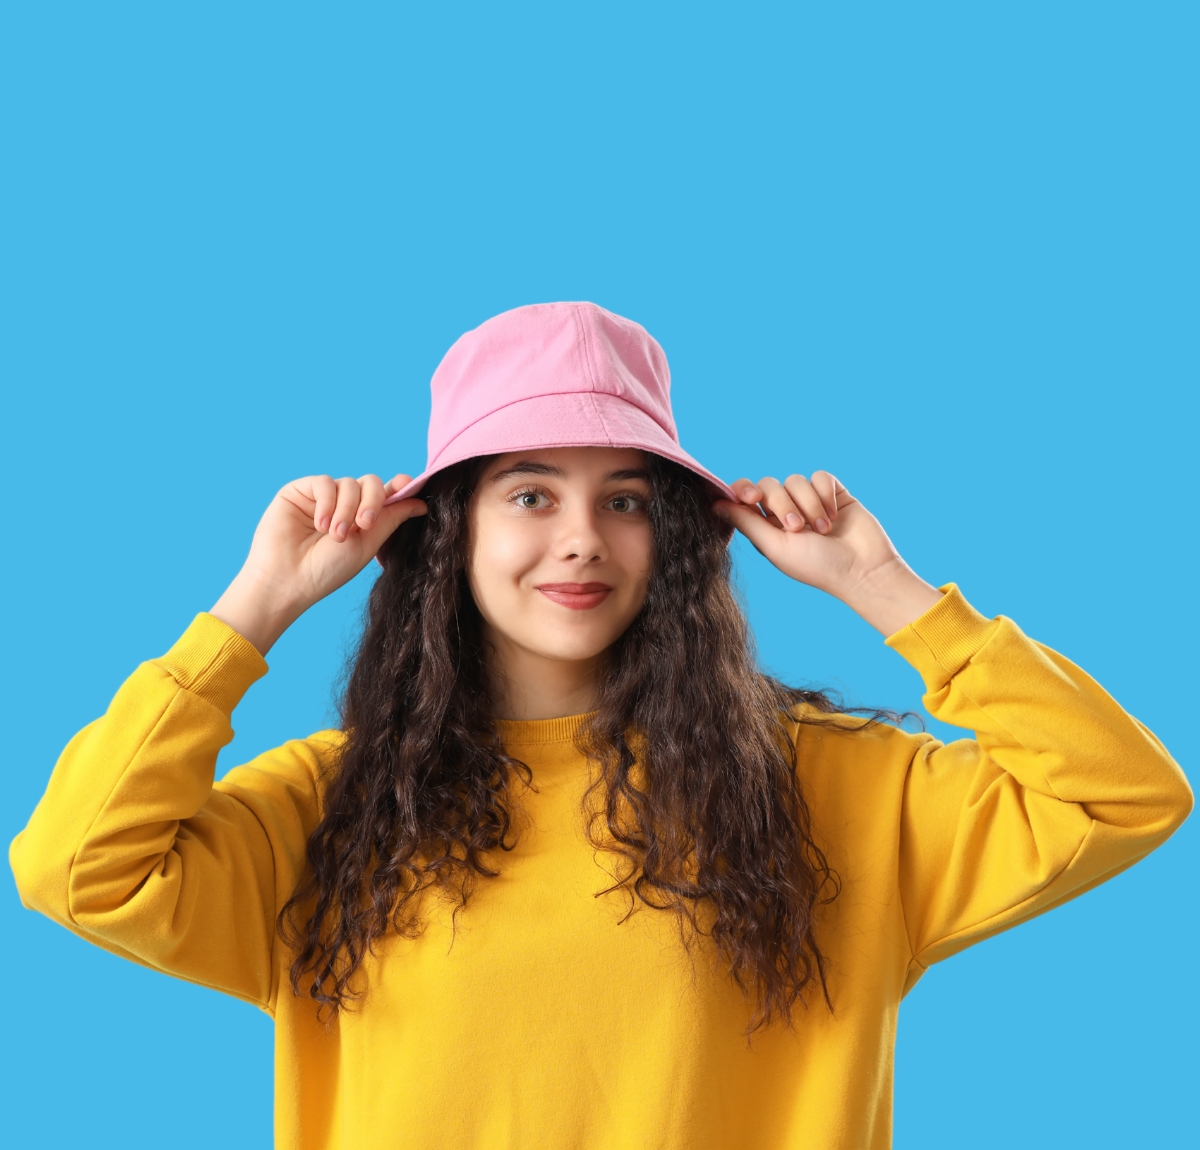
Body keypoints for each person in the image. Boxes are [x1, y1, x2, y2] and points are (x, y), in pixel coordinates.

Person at [10, 302, 1191, 1150]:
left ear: (672, 537)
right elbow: (76, 867)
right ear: (450, 532)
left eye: (624, 498)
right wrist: (252, 609)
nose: (582, 537)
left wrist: (886, 588)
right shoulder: (333, 808)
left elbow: (1125, 795)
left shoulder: (833, 792)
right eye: (530, 491)